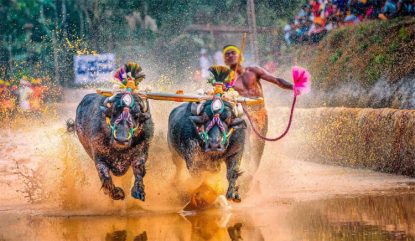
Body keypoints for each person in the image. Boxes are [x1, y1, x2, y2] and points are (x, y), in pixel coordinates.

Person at [222, 45, 294, 182]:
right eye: (227, 54)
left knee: (259, 148)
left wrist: (293, 87)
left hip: (260, 115)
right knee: (246, 143)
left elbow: (277, 81)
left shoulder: (253, 70)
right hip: (243, 116)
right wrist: (227, 86)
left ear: (240, 56)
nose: (230, 55)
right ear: (225, 60)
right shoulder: (227, 79)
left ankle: (252, 176)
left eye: (233, 53)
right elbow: (223, 97)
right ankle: (242, 173)